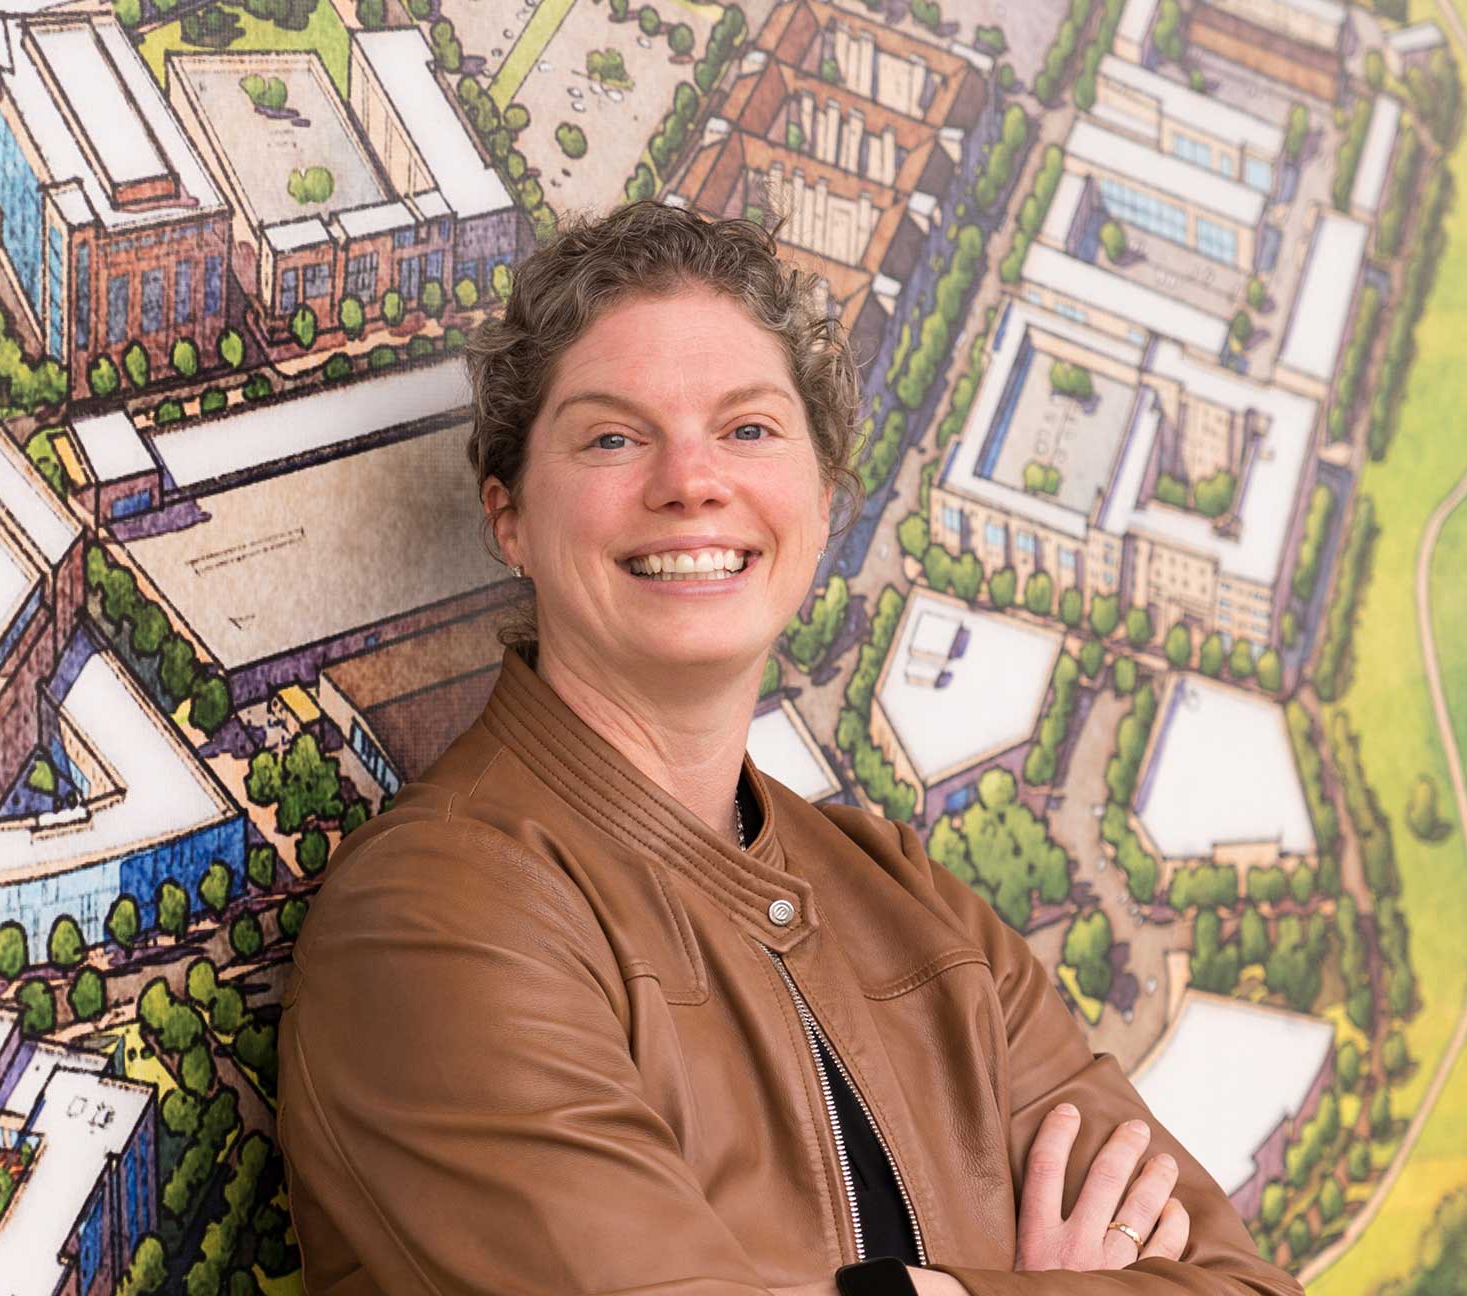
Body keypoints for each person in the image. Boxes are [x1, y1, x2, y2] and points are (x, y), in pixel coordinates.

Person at [274, 201, 1304, 1296]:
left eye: (748, 429)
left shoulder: (910, 904)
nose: (689, 480)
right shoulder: (439, 917)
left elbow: (1244, 1286)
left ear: (819, 502)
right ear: (510, 516)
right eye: (612, 436)